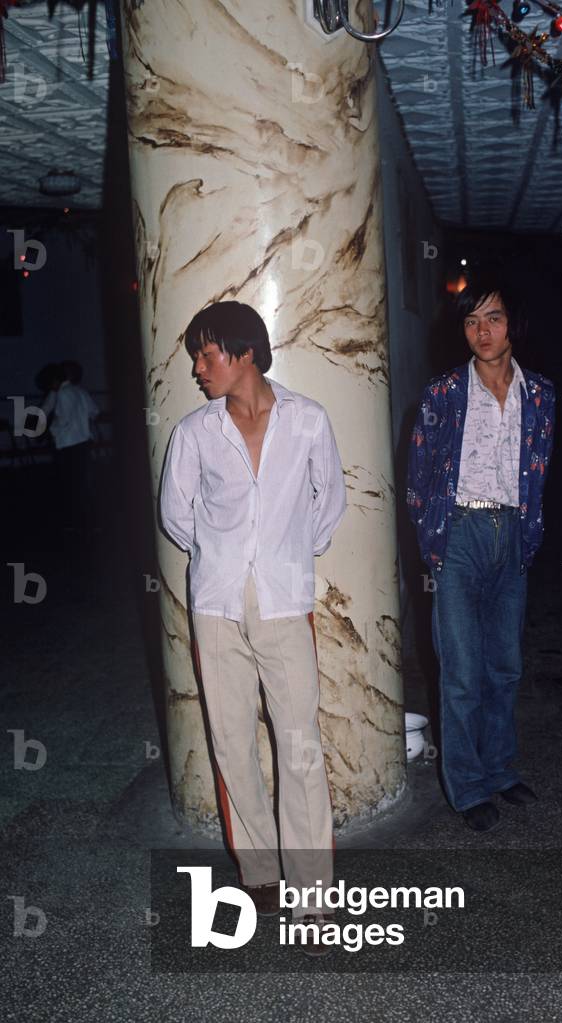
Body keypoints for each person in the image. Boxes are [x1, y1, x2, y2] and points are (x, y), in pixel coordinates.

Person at [159, 301, 346, 955]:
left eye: (206, 355)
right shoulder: (194, 432)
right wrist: (220, 560)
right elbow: (176, 514)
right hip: (215, 606)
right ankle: (261, 872)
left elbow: (332, 500)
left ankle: (314, 896)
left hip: (283, 601)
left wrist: (289, 555)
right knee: (230, 742)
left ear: (243, 354)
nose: (197, 368)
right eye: (195, 356)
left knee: (299, 746)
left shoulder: (307, 421)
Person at [406, 274, 555, 833]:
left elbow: (539, 469)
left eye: (493, 318)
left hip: (512, 533)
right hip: (461, 534)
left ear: (512, 322)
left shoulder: (540, 394)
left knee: (506, 667)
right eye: (471, 320)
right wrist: (435, 545)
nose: (482, 331)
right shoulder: (443, 393)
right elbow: (418, 477)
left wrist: (530, 534)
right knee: (463, 672)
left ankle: (499, 768)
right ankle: (467, 786)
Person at [41, 360, 99, 538]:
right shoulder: (80, 391)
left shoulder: (62, 394)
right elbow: (94, 411)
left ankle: (76, 524)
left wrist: (50, 431)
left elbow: (62, 419)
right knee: (83, 485)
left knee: (71, 485)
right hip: (83, 443)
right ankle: (88, 523)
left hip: (69, 445)